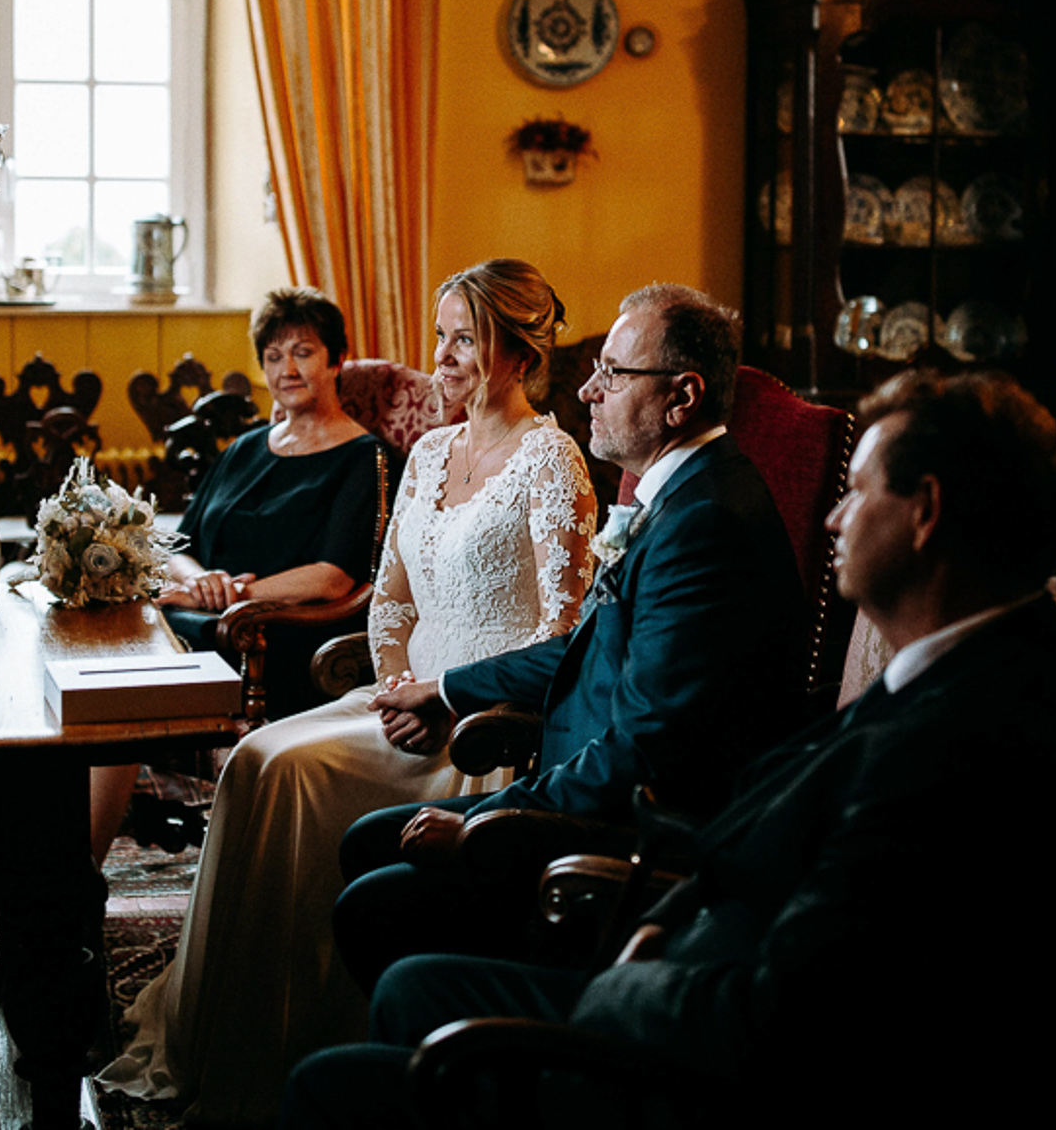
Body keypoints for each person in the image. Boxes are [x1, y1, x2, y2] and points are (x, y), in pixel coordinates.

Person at [283, 369, 1056, 1130]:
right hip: (698, 941)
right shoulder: (963, 667)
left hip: (705, 1068)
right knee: (408, 985)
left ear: (925, 512)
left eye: (857, 494)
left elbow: (789, 1017)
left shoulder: (967, 738)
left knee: (332, 1081)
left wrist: (625, 979)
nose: (832, 519)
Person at [96, 260, 598, 1127]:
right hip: (398, 698)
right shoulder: (431, 452)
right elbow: (391, 598)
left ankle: (303, 1034)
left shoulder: (553, 462)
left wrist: (441, 699)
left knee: (283, 769)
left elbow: (565, 638)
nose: (442, 356)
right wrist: (395, 682)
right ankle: (239, 1028)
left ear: (518, 354)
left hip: (482, 726)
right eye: (439, 334)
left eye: (464, 339)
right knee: (256, 757)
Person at [331, 283, 808, 994]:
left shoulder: (708, 523)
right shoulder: (676, 494)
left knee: (371, 900)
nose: (588, 389)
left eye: (613, 373)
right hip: (580, 780)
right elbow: (581, 648)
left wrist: (494, 817)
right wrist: (448, 688)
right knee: (365, 841)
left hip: (628, 834)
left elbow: (644, 745)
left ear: (681, 398)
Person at [88, 287, 385, 859]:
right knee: (102, 665)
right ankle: (74, 868)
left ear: (337, 359)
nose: (286, 369)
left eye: (302, 352)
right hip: (206, 618)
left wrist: (235, 594)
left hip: (280, 638)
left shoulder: (364, 457)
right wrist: (200, 581)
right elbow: (179, 542)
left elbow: (334, 578)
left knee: (119, 682)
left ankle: (80, 875)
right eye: (273, 357)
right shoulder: (246, 447)